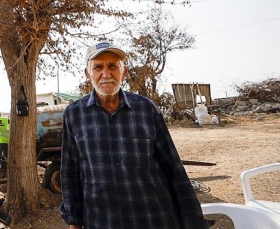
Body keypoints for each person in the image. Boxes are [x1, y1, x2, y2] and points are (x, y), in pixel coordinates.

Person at [60, 41, 208, 229]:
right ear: (88, 73)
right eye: (98, 67)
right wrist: (74, 221)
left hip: (153, 217)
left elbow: (172, 166)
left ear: (124, 72)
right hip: (102, 220)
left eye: (113, 66)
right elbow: (69, 172)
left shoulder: (146, 109)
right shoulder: (74, 114)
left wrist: (192, 219)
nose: (106, 74)